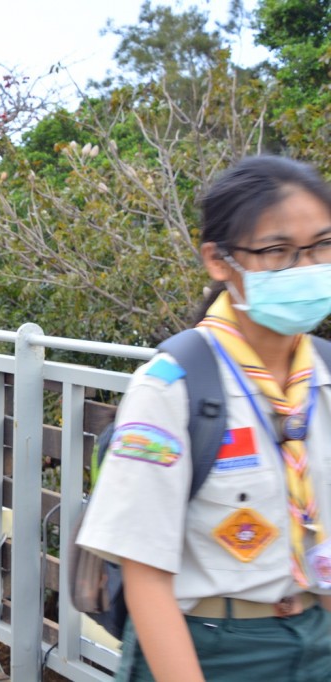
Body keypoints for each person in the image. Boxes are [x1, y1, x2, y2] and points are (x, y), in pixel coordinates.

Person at [77, 156, 331, 682]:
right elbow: (145, 575)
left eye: (322, 246)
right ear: (219, 261)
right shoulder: (173, 386)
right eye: (277, 251)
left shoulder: (324, 374)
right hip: (213, 649)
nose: (306, 268)